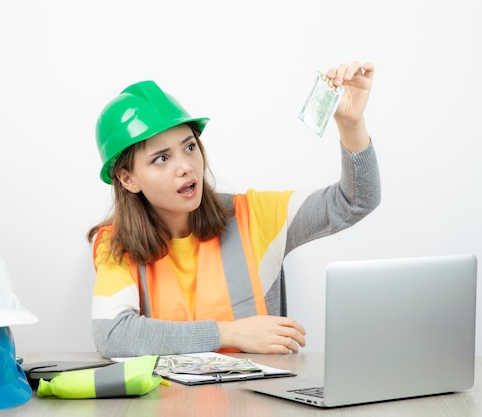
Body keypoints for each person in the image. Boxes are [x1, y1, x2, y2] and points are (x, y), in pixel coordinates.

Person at [87, 61, 381, 358]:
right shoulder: (115, 242)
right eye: (162, 159)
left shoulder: (253, 216)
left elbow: (355, 201)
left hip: (259, 401)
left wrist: (351, 124)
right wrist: (229, 333)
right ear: (128, 178)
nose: (186, 166)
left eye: (189, 147)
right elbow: (113, 335)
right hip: (166, 404)